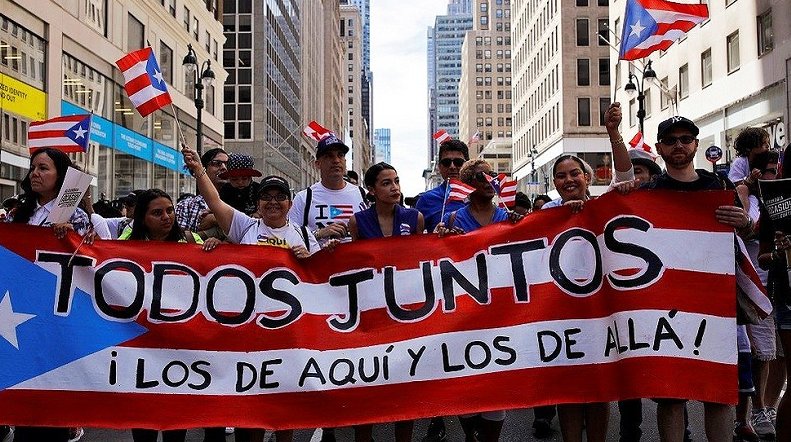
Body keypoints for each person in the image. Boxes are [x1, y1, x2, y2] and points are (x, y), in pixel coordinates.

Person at [638, 116, 752, 442]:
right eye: (671, 140)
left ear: (696, 145)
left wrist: (744, 222)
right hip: (665, 305)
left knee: (717, 390)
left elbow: (744, 233)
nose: (679, 145)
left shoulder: (718, 187)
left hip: (714, 302)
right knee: (671, 394)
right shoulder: (649, 192)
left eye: (685, 139)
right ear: (659, 148)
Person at [436, 159, 523, 442]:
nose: (489, 182)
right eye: (480, 178)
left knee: (496, 381)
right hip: (466, 312)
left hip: (501, 311)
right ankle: (471, 429)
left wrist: (522, 227)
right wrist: (444, 240)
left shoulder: (509, 218)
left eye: (491, 177)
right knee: (466, 378)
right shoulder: (453, 220)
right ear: (468, 185)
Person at [7, 148, 91, 442]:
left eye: (43, 168)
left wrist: (71, 238)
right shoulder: (19, 213)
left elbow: (87, 261)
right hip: (18, 305)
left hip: (55, 310)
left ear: (61, 176)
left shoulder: (75, 215)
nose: (35, 174)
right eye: (33, 168)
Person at [122, 189, 217, 442]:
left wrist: (217, 247)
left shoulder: (190, 239)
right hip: (141, 343)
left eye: (170, 210)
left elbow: (216, 267)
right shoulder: (127, 242)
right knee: (144, 417)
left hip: (180, 344)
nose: (167, 217)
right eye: (157, 213)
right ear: (142, 218)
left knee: (176, 416)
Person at [347, 162, 422, 442]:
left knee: (405, 384)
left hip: (407, 312)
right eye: (386, 183)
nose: (395, 188)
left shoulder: (415, 219)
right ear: (372, 190)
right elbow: (352, 264)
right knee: (367, 384)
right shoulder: (357, 221)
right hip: (371, 313)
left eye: (397, 181)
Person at [288, 132, 368, 246]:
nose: (336, 160)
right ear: (318, 164)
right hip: (319, 262)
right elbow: (289, 235)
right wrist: (320, 233)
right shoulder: (304, 198)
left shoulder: (363, 195)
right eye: (329, 156)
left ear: (345, 161)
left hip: (355, 261)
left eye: (340, 155)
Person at [416, 139, 470, 234]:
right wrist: (434, 236)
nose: (452, 166)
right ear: (439, 167)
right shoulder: (426, 200)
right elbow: (415, 241)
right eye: (446, 162)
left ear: (467, 165)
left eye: (458, 162)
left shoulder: (480, 196)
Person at [175, 147, 229, 232]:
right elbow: (180, 240)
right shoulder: (185, 206)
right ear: (204, 169)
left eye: (228, 164)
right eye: (217, 163)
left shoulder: (245, 202)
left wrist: (215, 219)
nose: (224, 168)